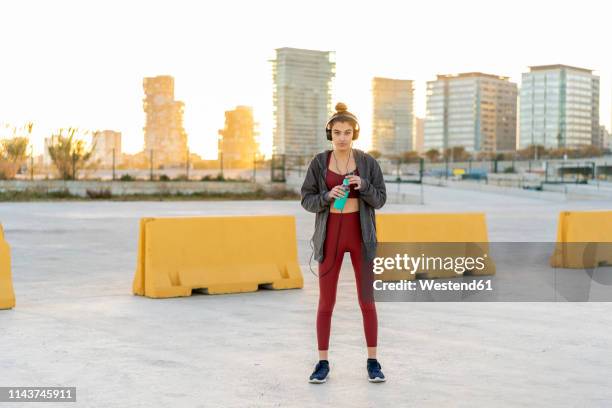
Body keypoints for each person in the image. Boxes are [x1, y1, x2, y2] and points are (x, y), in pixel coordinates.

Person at [301, 102, 387, 383]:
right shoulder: (318, 162)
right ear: (330, 134)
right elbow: (307, 200)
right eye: (336, 132)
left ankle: (373, 361)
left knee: (367, 301)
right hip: (330, 236)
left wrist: (363, 186)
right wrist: (327, 196)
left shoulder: (368, 162)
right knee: (326, 301)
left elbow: (381, 199)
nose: (341, 137)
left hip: (361, 235)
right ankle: (322, 362)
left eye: (347, 133)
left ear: (355, 134)